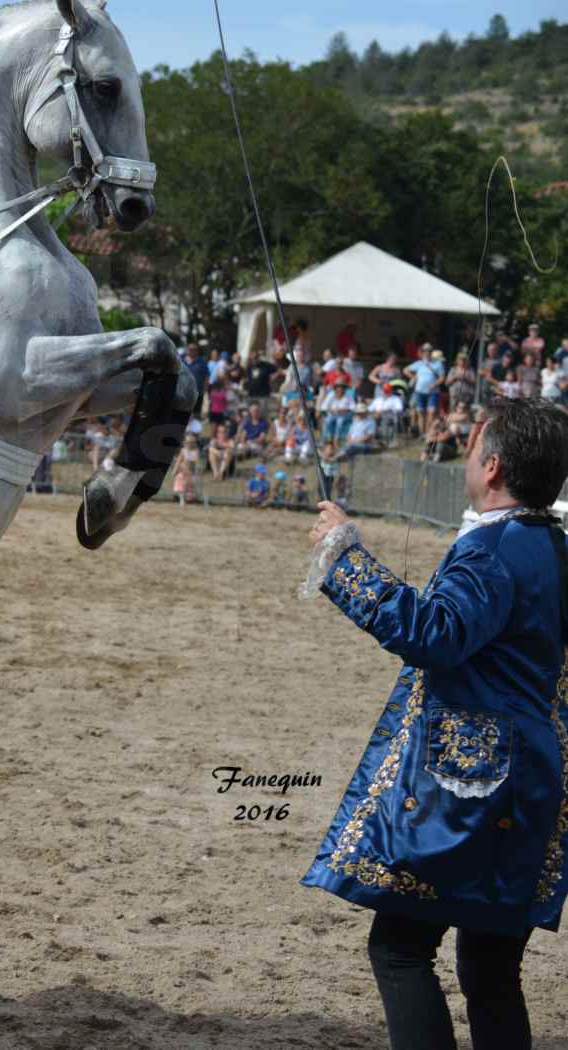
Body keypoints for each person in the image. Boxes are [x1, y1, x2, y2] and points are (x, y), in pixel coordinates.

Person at [300, 396, 568, 1050]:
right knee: (491, 967)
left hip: (470, 787)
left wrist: (344, 554)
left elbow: (432, 634)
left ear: (495, 466)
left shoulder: (493, 548)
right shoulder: (555, 546)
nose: (466, 459)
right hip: (535, 776)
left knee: (398, 948)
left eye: (473, 448)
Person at [404, 344, 441, 436]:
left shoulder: (437, 364)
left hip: (433, 392)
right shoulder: (419, 363)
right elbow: (405, 370)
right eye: (425, 351)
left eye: (429, 351)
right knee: (421, 413)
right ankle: (422, 434)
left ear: (431, 352)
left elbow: (442, 377)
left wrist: (434, 384)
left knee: (431, 412)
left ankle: (429, 433)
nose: (427, 353)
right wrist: (414, 377)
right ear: (423, 353)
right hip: (419, 391)